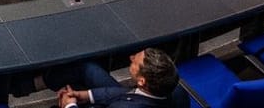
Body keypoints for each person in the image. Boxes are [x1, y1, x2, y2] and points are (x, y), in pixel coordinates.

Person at [49, 47, 181, 108]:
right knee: (88, 68)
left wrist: (70, 106)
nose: (131, 57)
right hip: (128, 100)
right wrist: (87, 95)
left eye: (135, 61)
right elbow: (129, 93)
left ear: (142, 81)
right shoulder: (174, 90)